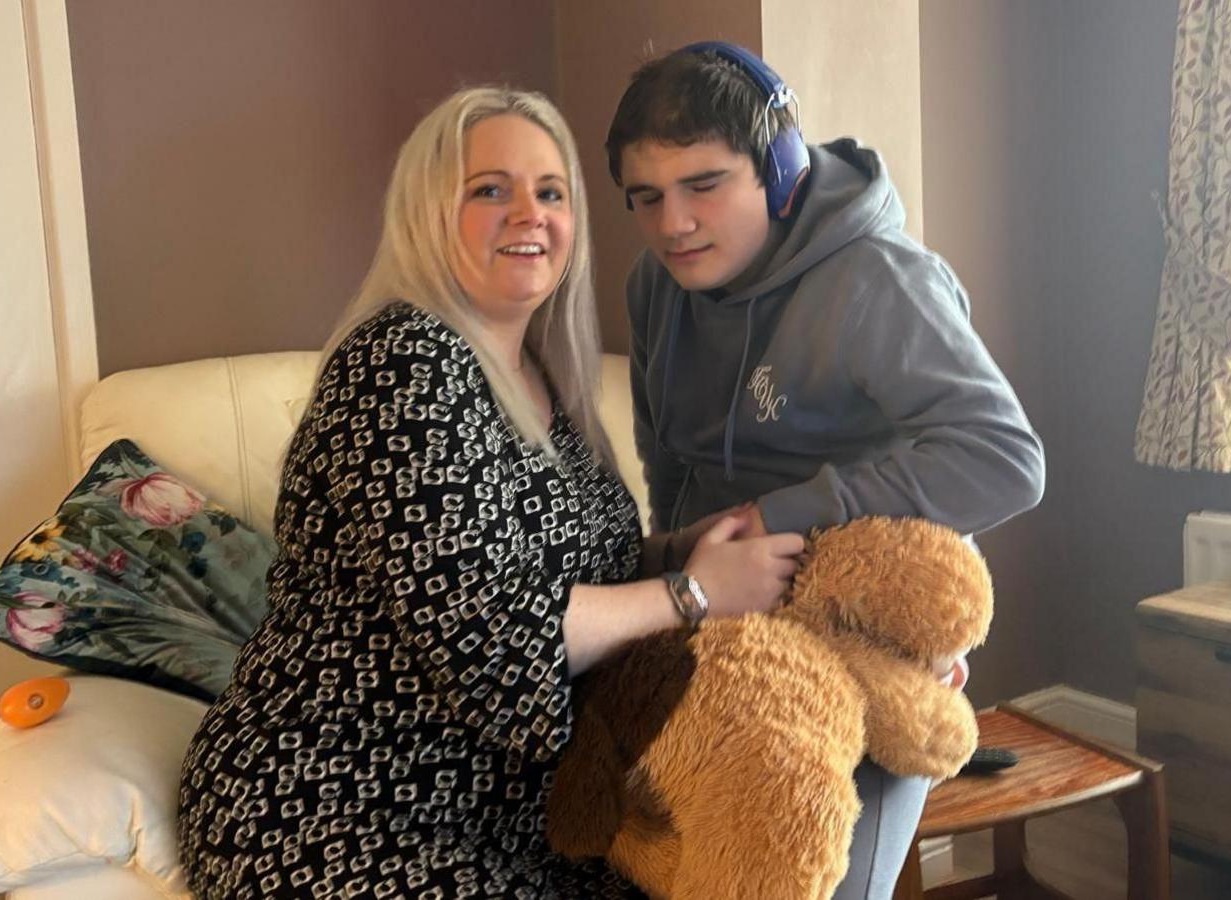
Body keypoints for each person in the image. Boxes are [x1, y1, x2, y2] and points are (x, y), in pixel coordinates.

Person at [176, 86, 804, 899]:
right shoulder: (402, 362)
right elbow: (495, 638)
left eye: (551, 192)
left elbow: (576, 572)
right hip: (338, 797)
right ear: (427, 214)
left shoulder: (544, 377)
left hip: (511, 810)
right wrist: (690, 594)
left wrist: (681, 550)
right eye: (489, 190)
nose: (529, 214)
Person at [606, 44, 1047, 897]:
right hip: (716, 624)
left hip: (855, 636)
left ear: (778, 170)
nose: (674, 224)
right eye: (647, 197)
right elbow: (666, 460)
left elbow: (1006, 459)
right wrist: (674, 576)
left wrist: (787, 514)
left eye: (704, 185)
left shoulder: (878, 281)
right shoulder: (651, 286)